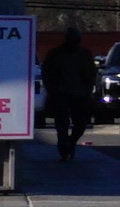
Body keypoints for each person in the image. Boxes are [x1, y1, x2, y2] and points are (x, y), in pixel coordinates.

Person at [42, 30, 101, 158]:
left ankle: (71, 142)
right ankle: (63, 146)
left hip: (80, 94)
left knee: (81, 123)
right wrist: (52, 90)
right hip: (60, 94)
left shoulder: (85, 54)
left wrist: (88, 91)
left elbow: (92, 74)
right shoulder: (55, 54)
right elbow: (46, 73)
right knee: (61, 124)